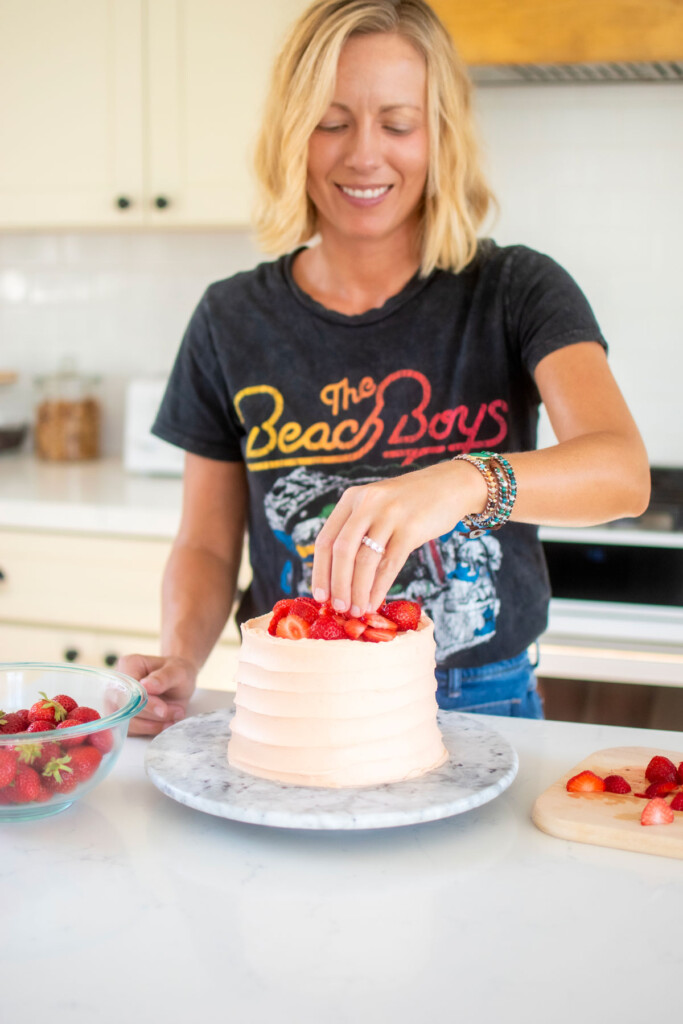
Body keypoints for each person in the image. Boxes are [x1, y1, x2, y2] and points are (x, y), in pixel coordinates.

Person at [119, 0, 650, 736]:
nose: (364, 155)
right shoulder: (229, 317)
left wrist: (459, 482)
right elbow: (207, 543)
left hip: (479, 701)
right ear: (290, 134)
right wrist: (180, 656)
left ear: (440, 136)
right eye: (332, 122)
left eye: (397, 123)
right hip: (295, 701)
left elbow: (621, 474)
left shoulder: (516, 289)